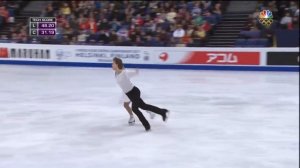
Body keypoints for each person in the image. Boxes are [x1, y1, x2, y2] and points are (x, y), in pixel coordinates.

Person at [112, 57, 169, 131]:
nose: (112, 65)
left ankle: (147, 126)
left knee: (135, 109)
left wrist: (136, 71)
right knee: (144, 106)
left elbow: (133, 72)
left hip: (134, 92)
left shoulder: (124, 72)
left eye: (113, 63)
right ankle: (163, 112)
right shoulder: (116, 72)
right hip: (129, 94)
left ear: (117, 64)